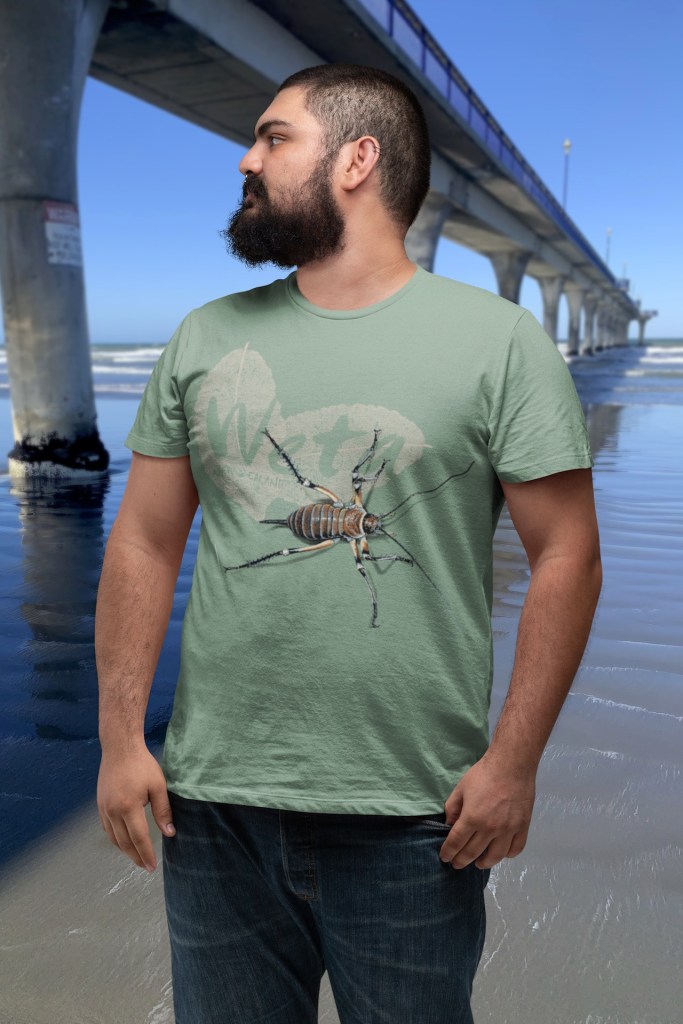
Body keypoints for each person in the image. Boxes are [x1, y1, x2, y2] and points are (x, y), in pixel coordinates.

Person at [96, 63, 602, 1023]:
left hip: (415, 816)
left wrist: (515, 762)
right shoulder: (203, 338)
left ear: (357, 160)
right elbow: (143, 545)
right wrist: (121, 738)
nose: (246, 157)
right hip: (212, 809)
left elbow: (566, 559)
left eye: (273, 136)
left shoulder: (500, 344)